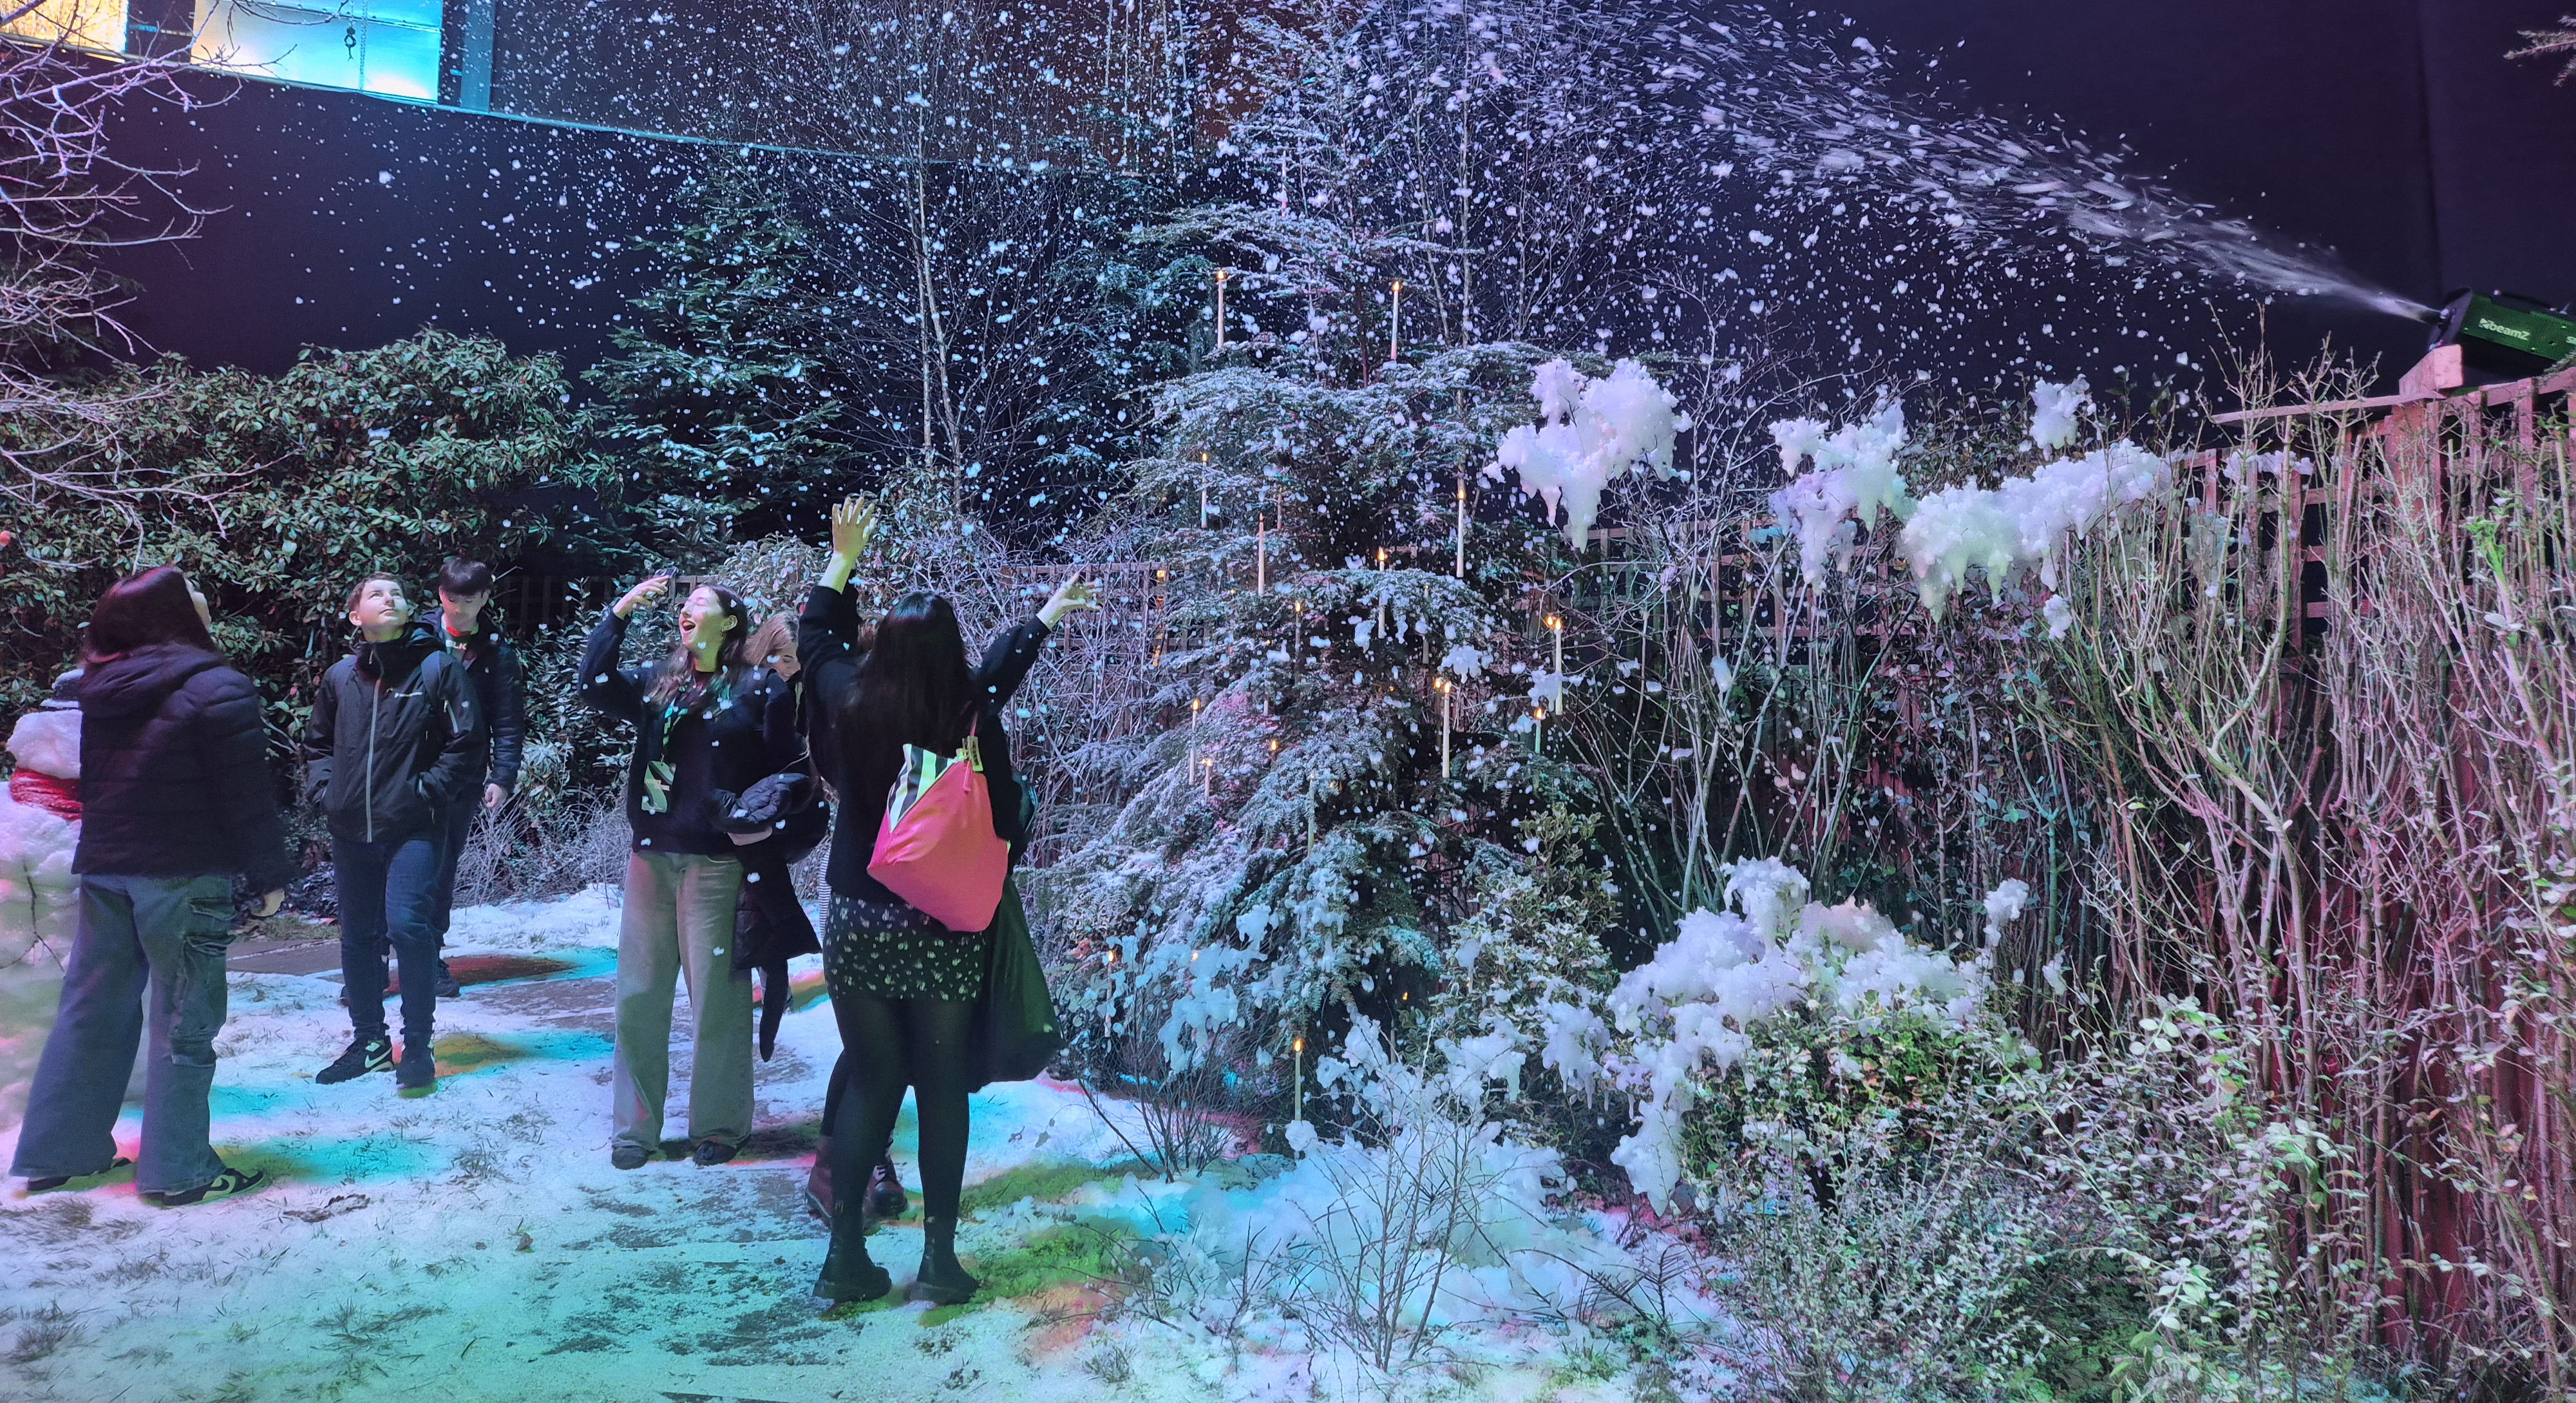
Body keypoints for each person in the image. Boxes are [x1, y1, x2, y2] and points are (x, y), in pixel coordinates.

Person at [797, 496, 1094, 1304]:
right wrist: (1040, 622)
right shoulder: (967, 716)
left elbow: (815, 639)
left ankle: (843, 1258)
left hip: (858, 917)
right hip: (941, 926)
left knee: (871, 1079)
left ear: (882, 648)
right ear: (951, 655)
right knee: (937, 1084)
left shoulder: (845, 698)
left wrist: (843, 557)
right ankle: (938, 1259)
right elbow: (998, 803)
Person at [9, 566, 295, 1206]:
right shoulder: (219, 688)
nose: (204, 608)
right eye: (192, 601)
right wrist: (269, 875)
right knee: (184, 1018)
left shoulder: (102, 686)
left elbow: (99, 781)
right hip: (181, 870)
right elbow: (246, 796)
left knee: (91, 1011)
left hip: (108, 866)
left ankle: (59, 1154)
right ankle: (181, 1172)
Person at [580, 574, 800, 1170]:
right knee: (639, 997)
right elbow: (593, 683)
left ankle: (720, 1126)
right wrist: (621, 611)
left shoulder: (759, 688)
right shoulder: (659, 682)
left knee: (717, 1001)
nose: (687, 609)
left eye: (701, 603)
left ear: (730, 622)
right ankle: (635, 1131)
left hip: (716, 862)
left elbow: (792, 770)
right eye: (686, 604)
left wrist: (755, 818)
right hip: (652, 855)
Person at [743, 611, 912, 1226]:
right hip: (845, 877)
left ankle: (858, 1161)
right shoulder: (808, 696)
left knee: (886, 1041)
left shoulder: (866, 691)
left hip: (891, 877)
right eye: (778, 658)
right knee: (873, 1042)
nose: (785, 667)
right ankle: (843, 1168)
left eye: (792, 657)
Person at [305, 573, 485, 1094]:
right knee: (359, 936)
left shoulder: (437, 668)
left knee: (409, 927)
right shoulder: (341, 677)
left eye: (397, 594)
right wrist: (326, 792)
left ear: (409, 612)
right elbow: (317, 745)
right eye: (376, 595)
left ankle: (419, 1046)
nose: (390, 599)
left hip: (413, 827)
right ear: (355, 616)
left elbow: (468, 743)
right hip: (351, 828)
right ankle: (369, 1042)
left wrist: (425, 792)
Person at [422, 558, 526, 998]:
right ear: (440, 594)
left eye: (469, 600)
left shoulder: (496, 652)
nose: (459, 608)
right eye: (451, 598)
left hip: (461, 777)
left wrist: (502, 776)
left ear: (485, 597)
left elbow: (508, 719)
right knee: (387, 865)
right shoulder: (418, 637)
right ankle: (370, 963)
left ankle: (428, 957)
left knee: (440, 869)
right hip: (407, 769)